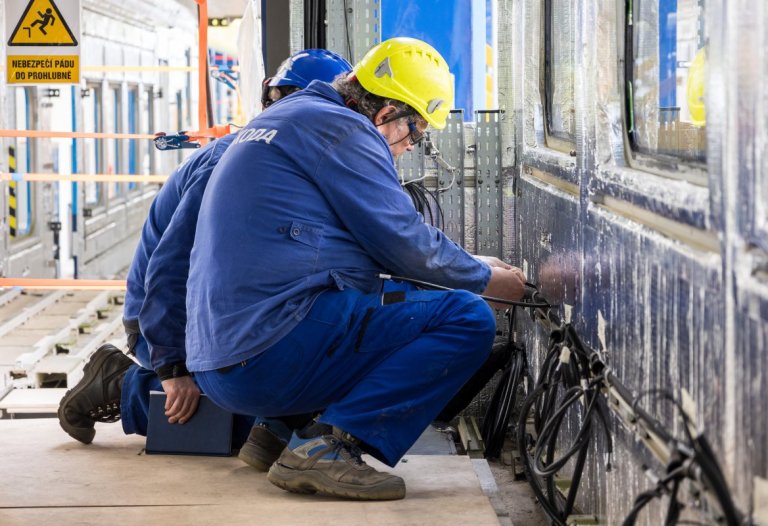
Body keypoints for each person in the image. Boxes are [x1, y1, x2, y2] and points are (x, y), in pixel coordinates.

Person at [183, 37, 527, 501]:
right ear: (387, 114)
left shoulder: (292, 117)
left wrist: (468, 263)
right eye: (416, 133)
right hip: (265, 355)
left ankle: (277, 432)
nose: (409, 147)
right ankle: (329, 450)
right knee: (465, 318)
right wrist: (486, 280)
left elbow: (364, 250)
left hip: (218, 362)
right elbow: (402, 241)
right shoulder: (344, 130)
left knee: (373, 300)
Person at [56, 50, 354, 460]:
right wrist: (173, 367)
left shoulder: (287, 162)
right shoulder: (234, 163)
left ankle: (277, 421)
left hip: (221, 311)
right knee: (230, 420)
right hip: (165, 322)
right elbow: (171, 267)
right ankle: (123, 383)